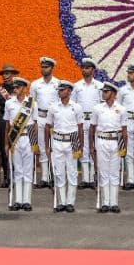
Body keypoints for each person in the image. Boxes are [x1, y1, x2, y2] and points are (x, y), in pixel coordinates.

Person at [89, 82, 127, 213]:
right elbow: (92, 128)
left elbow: (124, 130)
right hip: (102, 140)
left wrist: (124, 147)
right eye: (103, 91)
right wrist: (91, 146)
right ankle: (105, 203)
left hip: (116, 141)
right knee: (104, 173)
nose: (103, 93)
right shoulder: (97, 108)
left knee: (114, 173)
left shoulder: (121, 109)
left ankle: (114, 203)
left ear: (113, 94)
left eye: (106, 92)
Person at [46, 81, 83, 212]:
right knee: (59, 173)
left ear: (69, 91)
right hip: (57, 140)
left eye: (62, 90)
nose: (59, 92)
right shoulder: (53, 107)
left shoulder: (77, 107)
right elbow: (48, 126)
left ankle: (70, 202)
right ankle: (61, 201)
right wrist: (47, 146)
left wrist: (81, 146)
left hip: (72, 141)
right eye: (59, 90)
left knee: (72, 173)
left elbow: (80, 128)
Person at [4, 77, 37, 211]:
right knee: (17, 169)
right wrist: (7, 143)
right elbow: (7, 124)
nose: (15, 89)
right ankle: (17, 200)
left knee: (28, 170)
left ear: (24, 88)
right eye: (14, 87)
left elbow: (35, 125)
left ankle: (27, 201)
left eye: (18, 87)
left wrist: (35, 143)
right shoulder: (9, 103)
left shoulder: (32, 103)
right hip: (14, 139)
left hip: (28, 137)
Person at [73, 58, 104, 189]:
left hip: (95, 121)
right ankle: (86, 179)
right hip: (82, 120)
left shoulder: (100, 86)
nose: (84, 70)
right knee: (84, 148)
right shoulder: (76, 86)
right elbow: (73, 105)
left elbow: (103, 105)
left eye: (87, 68)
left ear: (93, 70)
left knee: (95, 148)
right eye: (83, 67)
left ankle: (93, 177)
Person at [30, 57, 61, 188]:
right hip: (41, 117)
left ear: (52, 68)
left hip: (54, 119)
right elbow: (32, 103)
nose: (44, 69)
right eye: (42, 67)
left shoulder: (58, 83)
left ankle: (55, 175)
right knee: (42, 147)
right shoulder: (35, 84)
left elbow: (61, 102)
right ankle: (44, 177)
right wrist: (34, 121)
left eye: (47, 67)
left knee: (54, 148)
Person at [0, 64, 20, 188]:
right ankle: (6, 177)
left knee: (17, 148)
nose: (5, 76)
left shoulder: (18, 87)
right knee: (3, 150)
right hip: (2, 120)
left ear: (13, 74)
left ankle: (17, 175)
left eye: (8, 73)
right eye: (3, 74)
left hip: (16, 121)